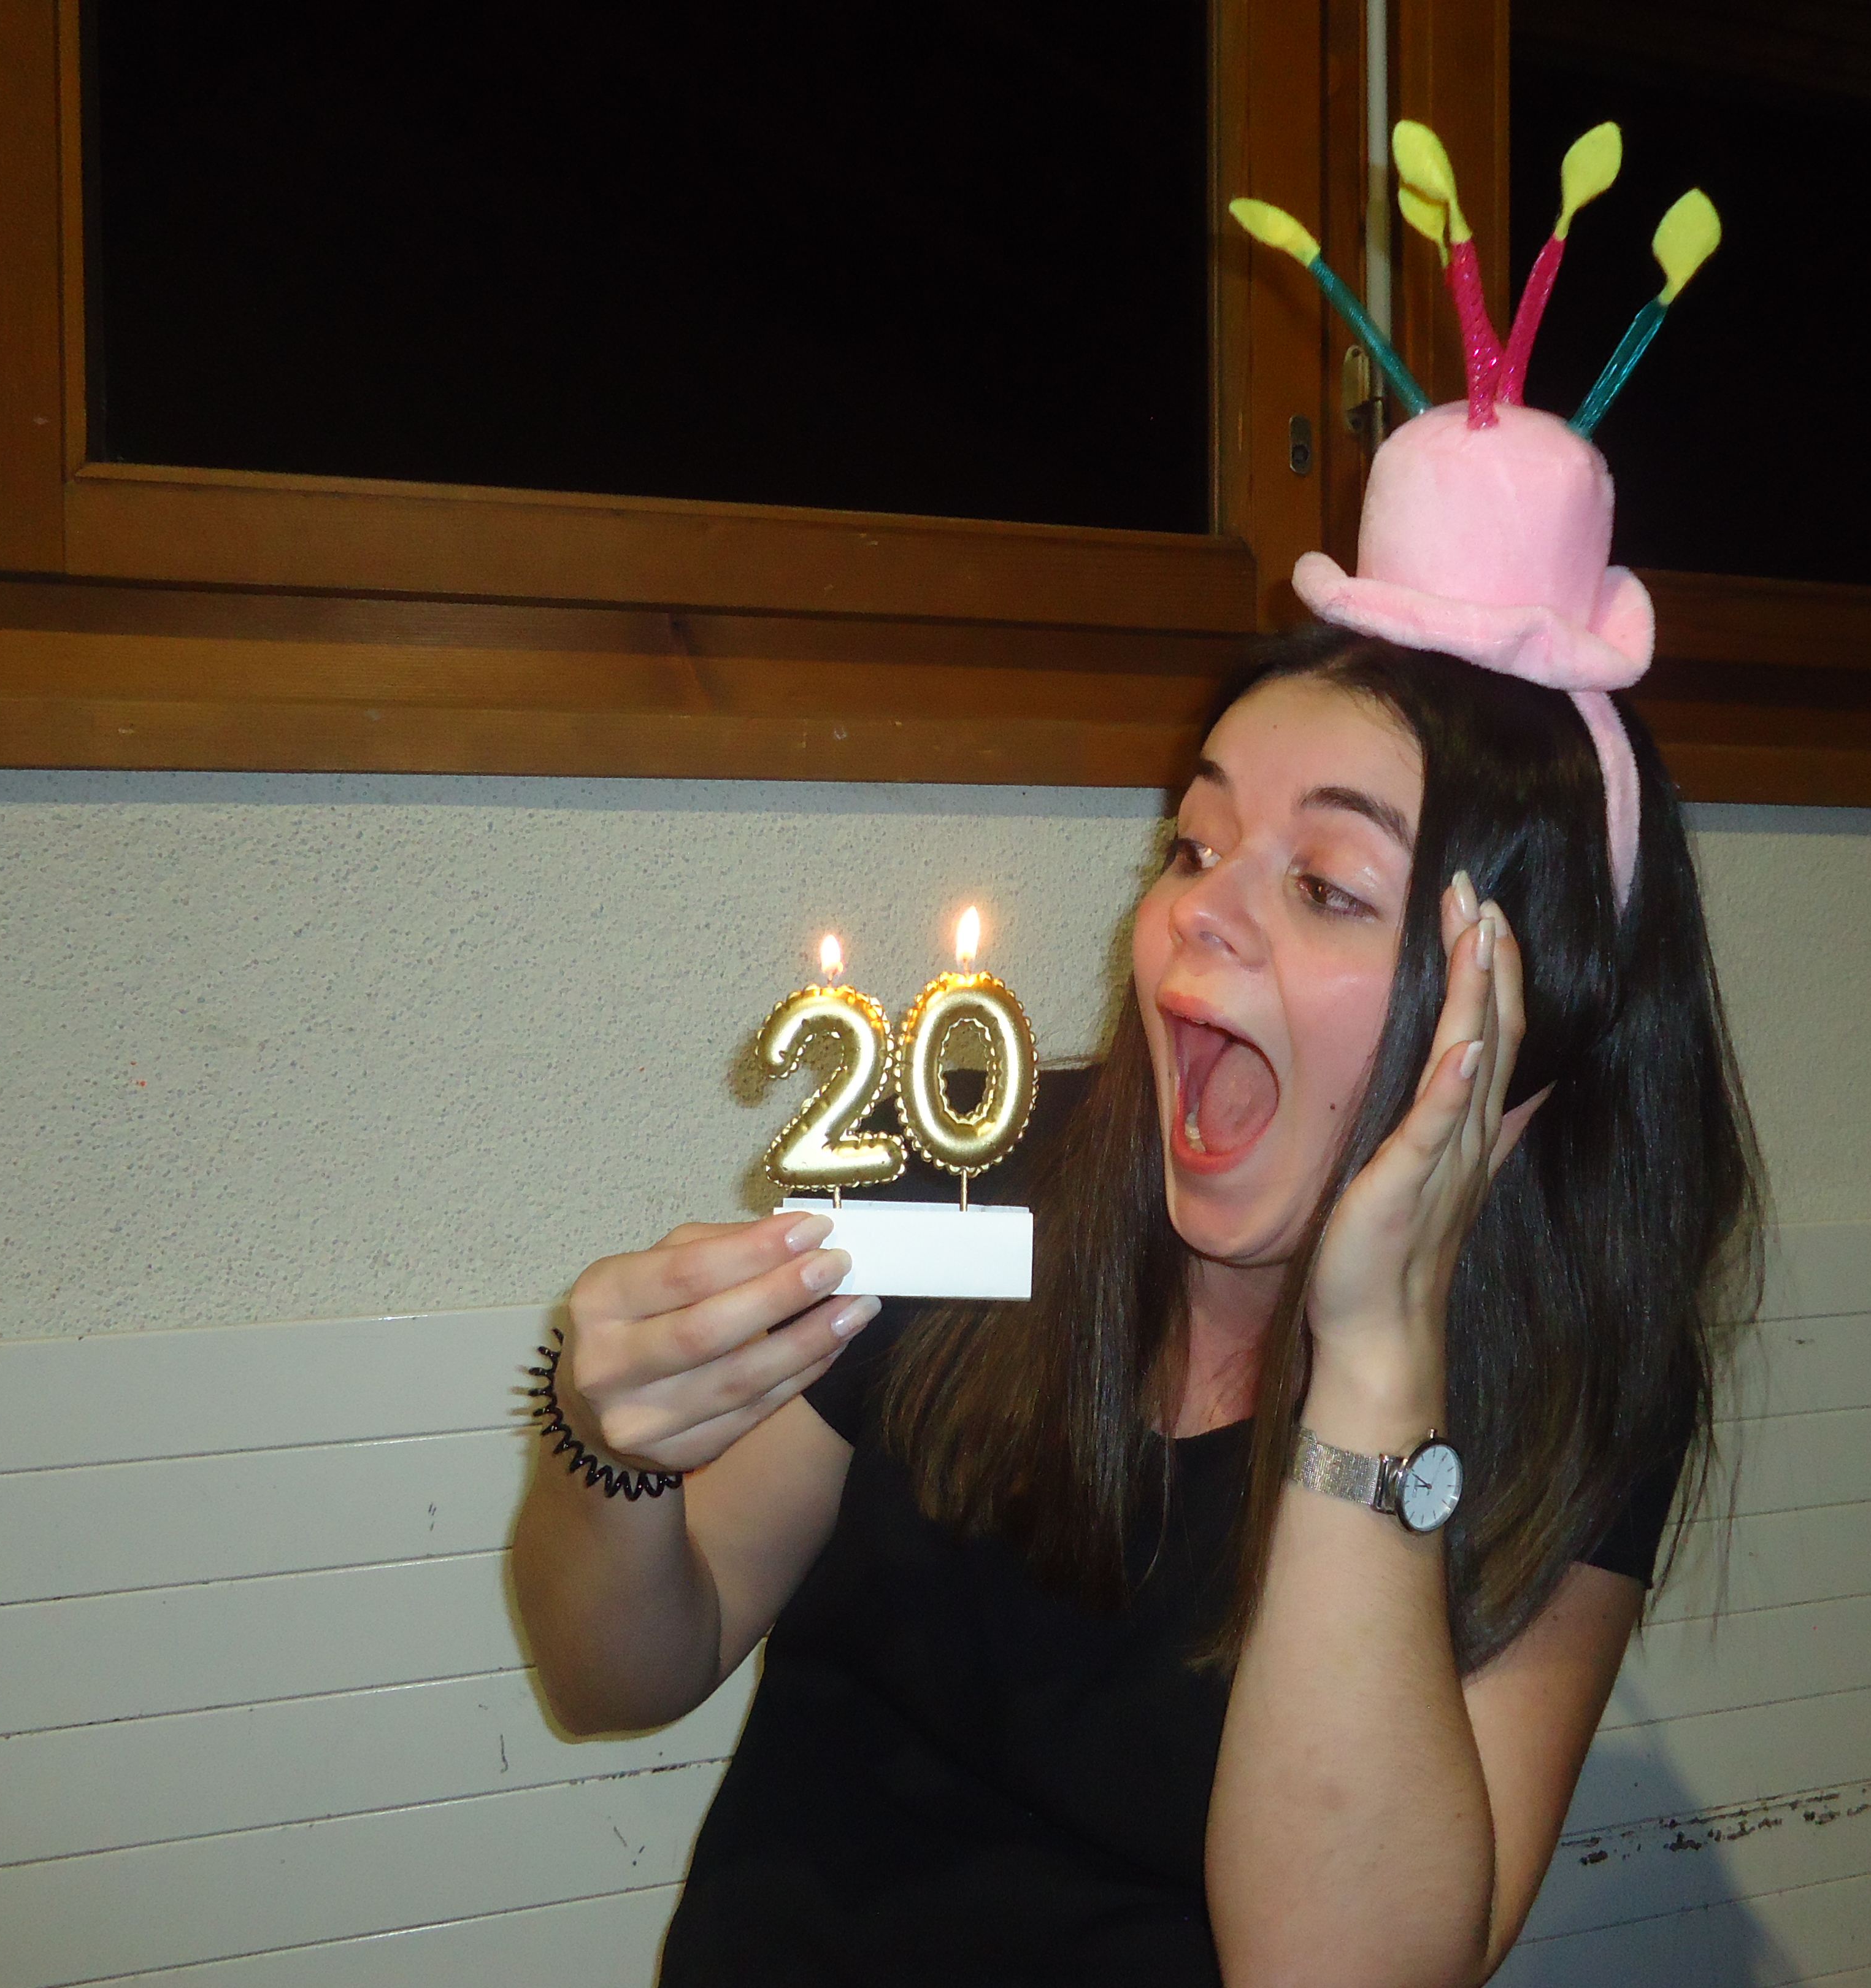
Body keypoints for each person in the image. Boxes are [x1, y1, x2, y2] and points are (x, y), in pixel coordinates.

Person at [510, 613, 1765, 1985]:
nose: (1194, 912)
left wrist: (1374, 1360)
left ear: (1524, 1007)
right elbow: (615, 1677)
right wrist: (602, 1445)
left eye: (1327, 885)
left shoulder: (1582, 1379)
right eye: (1195, 846)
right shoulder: (975, 1181)